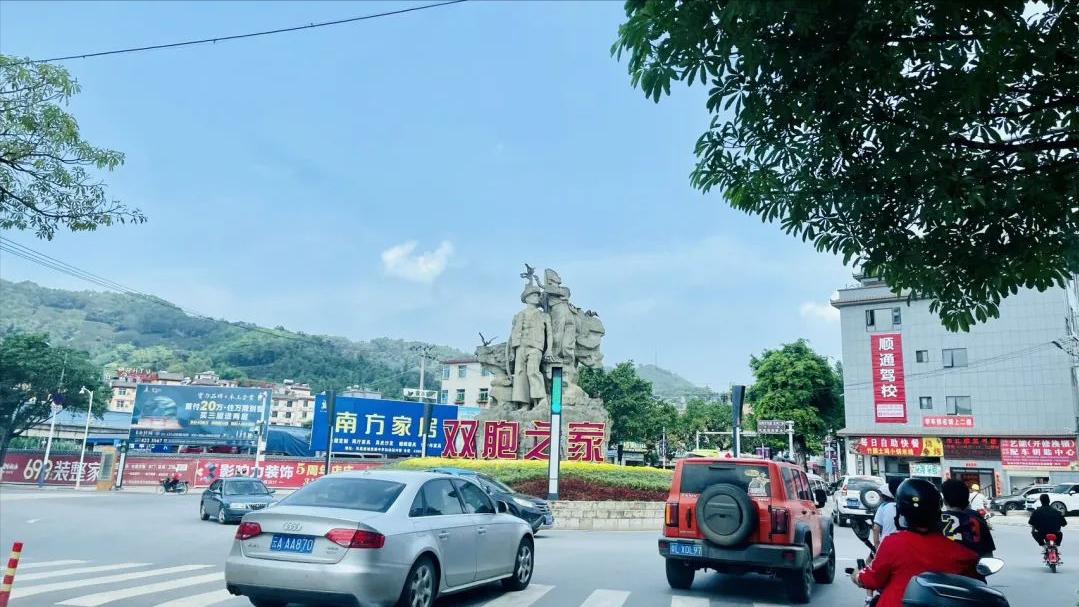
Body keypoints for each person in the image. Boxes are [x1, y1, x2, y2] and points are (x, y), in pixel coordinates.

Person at [852, 478, 980, 607]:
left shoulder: (893, 543)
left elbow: (871, 580)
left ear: (901, 512)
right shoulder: (963, 555)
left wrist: (856, 575)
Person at [941, 478, 996, 558]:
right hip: (972, 564)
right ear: (966, 500)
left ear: (944, 501)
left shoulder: (935, 520)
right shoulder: (978, 519)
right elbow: (988, 555)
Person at [872, 478, 903, 549]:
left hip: (886, 545)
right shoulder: (908, 506)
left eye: (881, 496)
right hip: (905, 546)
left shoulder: (883, 507)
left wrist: (877, 547)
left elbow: (876, 529)